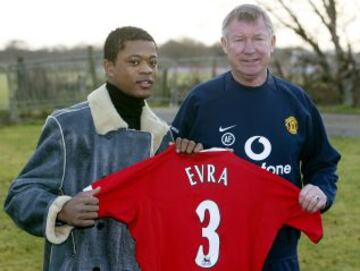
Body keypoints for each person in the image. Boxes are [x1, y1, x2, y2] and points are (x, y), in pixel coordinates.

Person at [4, 26, 201, 271]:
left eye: (153, 62)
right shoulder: (68, 127)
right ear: (109, 67)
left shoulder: (164, 136)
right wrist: (61, 209)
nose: (147, 70)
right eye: (134, 61)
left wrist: (190, 161)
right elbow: (19, 193)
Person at [172, 4, 341, 271]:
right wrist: (182, 156)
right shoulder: (201, 101)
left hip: (279, 252)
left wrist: (320, 189)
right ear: (224, 44)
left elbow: (322, 163)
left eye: (258, 39)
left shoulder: (296, 101)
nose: (249, 49)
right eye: (239, 40)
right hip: (215, 252)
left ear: (272, 43)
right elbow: (168, 169)